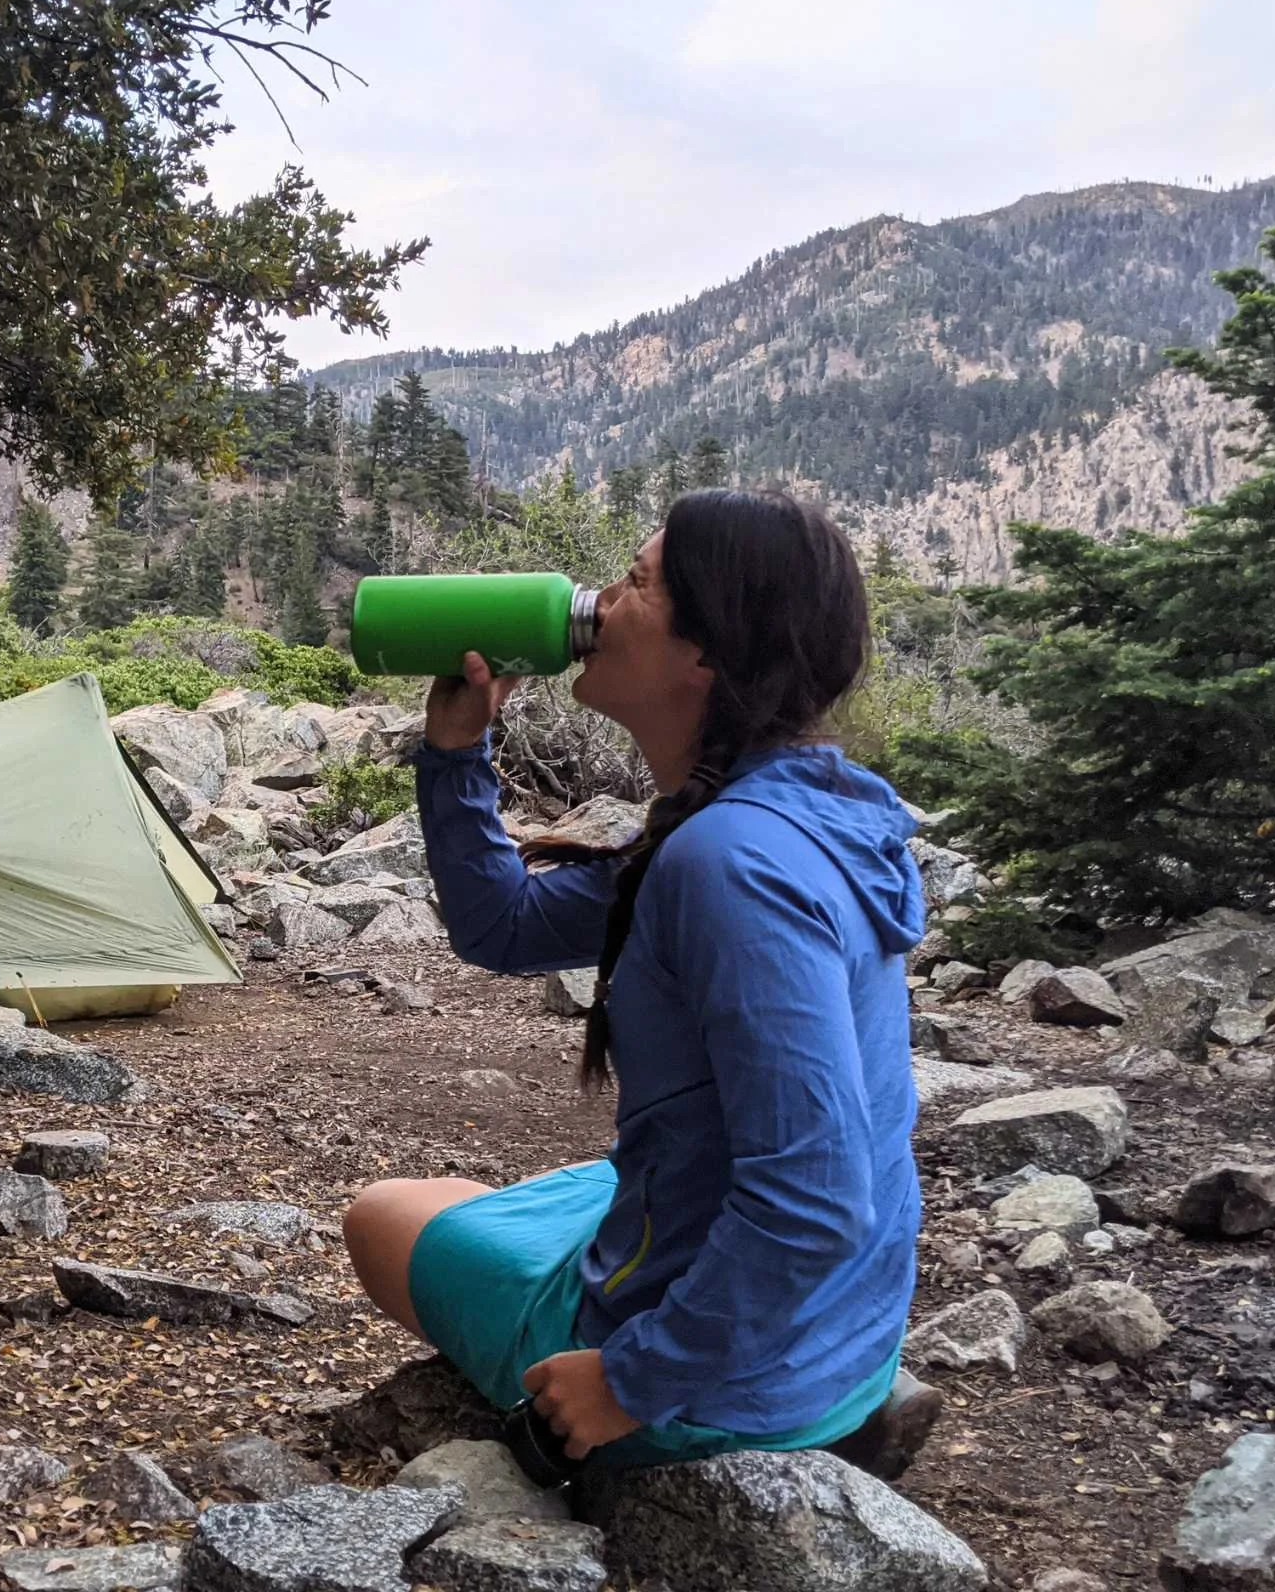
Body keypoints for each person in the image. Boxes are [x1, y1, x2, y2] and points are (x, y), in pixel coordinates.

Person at [342, 488, 937, 1474]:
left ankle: (752, 1424)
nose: (598, 601)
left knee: (382, 1214)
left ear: (705, 651)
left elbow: (814, 1197)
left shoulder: (730, 864)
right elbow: (505, 924)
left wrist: (629, 1381)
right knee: (550, 1189)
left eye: (638, 579)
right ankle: (835, 1387)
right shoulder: (779, 813)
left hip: (724, 1392)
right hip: (843, 1336)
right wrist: (456, 751)